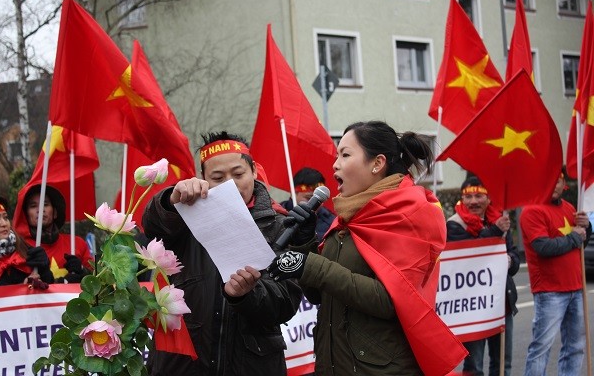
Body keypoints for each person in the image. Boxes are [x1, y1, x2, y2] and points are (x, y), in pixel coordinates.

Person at [268, 120, 466, 375]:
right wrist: (305, 244)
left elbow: (391, 300)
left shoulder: (410, 214)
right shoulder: (349, 216)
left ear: (377, 163)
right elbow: (319, 294)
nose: (335, 164)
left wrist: (311, 264)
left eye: (345, 155)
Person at [142, 131, 305, 376]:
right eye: (217, 177)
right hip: (183, 363)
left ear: (254, 172)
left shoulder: (280, 225)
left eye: (238, 174)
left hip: (253, 364)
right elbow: (153, 226)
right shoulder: (186, 216)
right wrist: (171, 200)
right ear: (203, 179)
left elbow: (285, 304)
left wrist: (246, 294)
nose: (230, 184)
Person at [447, 176, 520, 376]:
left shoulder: (500, 220)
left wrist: (510, 261)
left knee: (503, 364)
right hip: (472, 308)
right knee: (474, 368)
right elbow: (471, 254)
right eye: (467, 197)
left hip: (500, 304)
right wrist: (496, 230)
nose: (473, 202)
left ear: (488, 199)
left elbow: (513, 256)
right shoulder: (454, 225)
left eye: (479, 195)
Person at [520, 169, 591, 376]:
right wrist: (576, 237)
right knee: (541, 348)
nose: (553, 185)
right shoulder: (532, 210)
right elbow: (543, 248)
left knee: (575, 347)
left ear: (563, 184)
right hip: (550, 291)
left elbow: (579, 244)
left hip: (576, 288)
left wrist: (586, 229)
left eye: (557, 181)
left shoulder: (570, 208)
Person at [14, 185, 93, 283]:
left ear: (55, 212)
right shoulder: (19, 247)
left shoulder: (77, 243)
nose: (40, 210)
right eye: (33, 206)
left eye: (45, 204)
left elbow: (98, 281)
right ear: (26, 215)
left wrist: (83, 271)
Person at [0, 196, 53, 288]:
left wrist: (44, 271)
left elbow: (51, 288)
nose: (4, 224)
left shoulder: (26, 250)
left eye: (5, 218)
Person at [280, 167, 335, 240]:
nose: (315, 204)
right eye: (309, 198)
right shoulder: (276, 215)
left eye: (320, 200)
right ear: (293, 193)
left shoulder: (332, 223)